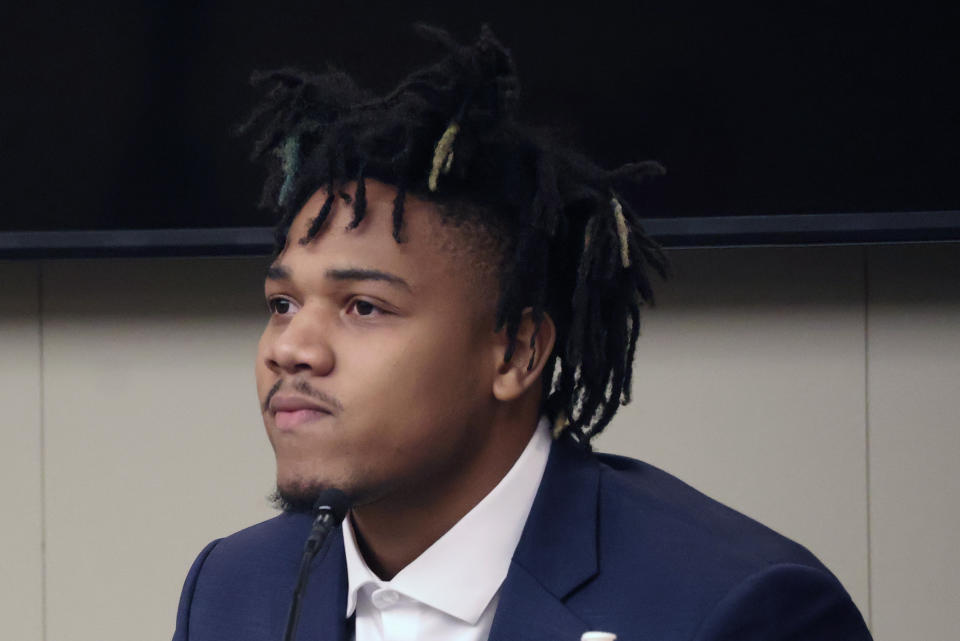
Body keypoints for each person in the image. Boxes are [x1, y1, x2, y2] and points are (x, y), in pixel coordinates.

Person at [172, 25, 872, 641]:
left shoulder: (740, 608)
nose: (290, 349)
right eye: (283, 302)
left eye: (363, 307)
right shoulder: (232, 590)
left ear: (516, 350)